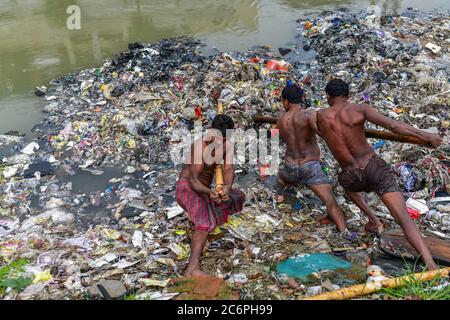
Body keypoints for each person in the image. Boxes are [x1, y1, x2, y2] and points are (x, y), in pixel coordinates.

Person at [316, 78, 442, 270]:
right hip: (372, 168)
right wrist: (428, 136)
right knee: (402, 217)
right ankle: (430, 263)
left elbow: (330, 134)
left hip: (351, 176)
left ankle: (373, 219)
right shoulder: (359, 109)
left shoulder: (321, 116)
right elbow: (394, 126)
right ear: (347, 95)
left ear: (328, 97)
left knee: (346, 186)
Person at [276, 84, 359, 240]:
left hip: (290, 167)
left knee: (281, 179)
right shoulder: (308, 115)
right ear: (301, 99)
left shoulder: (280, 121)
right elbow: (323, 134)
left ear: (286, 102)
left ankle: (278, 196)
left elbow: (279, 140)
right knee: (329, 199)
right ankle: (344, 232)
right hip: (309, 166)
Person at [175, 114, 245, 276]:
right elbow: (193, 180)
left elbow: (228, 169)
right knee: (205, 222)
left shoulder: (227, 145)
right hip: (187, 189)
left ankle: (210, 218)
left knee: (238, 197)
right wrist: (210, 192)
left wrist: (227, 187)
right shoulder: (201, 145)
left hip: (205, 191)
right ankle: (192, 268)